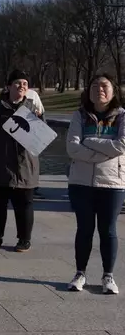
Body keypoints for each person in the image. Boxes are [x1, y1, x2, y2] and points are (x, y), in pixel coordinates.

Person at [66, 73, 125, 294]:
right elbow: (72, 148)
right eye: (94, 86)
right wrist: (103, 151)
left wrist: (89, 142)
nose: (99, 89)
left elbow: (122, 146)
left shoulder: (122, 116)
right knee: (84, 229)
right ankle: (80, 273)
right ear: (88, 91)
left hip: (112, 183)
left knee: (108, 230)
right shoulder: (79, 116)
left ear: (113, 90)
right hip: (81, 182)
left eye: (104, 86)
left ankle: (108, 277)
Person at [0, 69, 42, 253]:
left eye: (25, 84)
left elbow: (41, 137)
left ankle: (24, 239)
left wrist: (39, 122)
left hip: (24, 164)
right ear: (8, 86)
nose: (21, 87)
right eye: (17, 83)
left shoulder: (32, 107)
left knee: (24, 204)